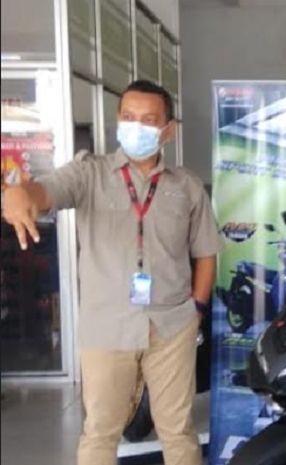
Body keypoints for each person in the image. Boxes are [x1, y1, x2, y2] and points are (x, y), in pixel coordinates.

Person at [2, 80, 221, 465]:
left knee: (177, 430)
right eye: (129, 117)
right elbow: (45, 190)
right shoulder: (89, 174)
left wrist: (197, 311)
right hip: (107, 327)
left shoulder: (186, 186)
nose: (137, 127)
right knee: (101, 431)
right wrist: (19, 195)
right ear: (118, 120)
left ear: (168, 130)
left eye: (149, 120)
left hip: (171, 327)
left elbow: (205, 253)